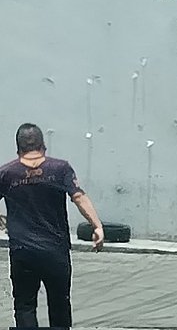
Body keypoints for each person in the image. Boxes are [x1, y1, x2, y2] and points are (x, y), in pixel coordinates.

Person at [0, 123, 103, 328]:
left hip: (22, 252)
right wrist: (97, 226)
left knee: (24, 305)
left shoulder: (7, 173)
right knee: (59, 304)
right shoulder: (59, 169)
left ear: (18, 148)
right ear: (43, 145)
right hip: (55, 251)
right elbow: (79, 197)